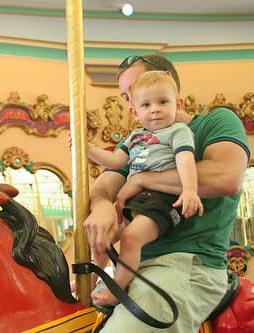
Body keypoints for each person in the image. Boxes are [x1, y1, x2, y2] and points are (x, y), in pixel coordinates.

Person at [84, 54, 250, 332]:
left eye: (138, 86)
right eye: (127, 97)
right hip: (134, 265)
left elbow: (226, 177)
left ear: (167, 82)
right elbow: (103, 186)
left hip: (189, 264)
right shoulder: (139, 140)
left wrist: (142, 179)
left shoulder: (213, 123)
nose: (133, 101)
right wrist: (101, 206)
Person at [87, 70, 204, 306]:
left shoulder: (178, 131)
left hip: (163, 199)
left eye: (163, 102)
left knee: (131, 237)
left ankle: (116, 290)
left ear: (177, 104)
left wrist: (190, 190)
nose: (155, 109)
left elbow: (185, 160)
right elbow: (114, 162)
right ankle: (89, 280)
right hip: (137, 199)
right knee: (102, 236)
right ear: (135, 112)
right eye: (147, 104)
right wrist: (86, 148)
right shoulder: (134, 138)